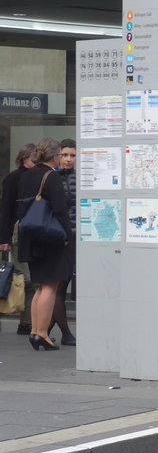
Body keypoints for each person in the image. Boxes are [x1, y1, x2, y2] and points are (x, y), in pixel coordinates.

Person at [16, 138, 71, 350]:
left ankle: (35, 331)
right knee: (51, 286)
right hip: (50, 237)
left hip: (31, 236)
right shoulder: (52, 177)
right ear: (55, 156)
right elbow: (60, 210)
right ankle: (41, 333)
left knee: (41, 286)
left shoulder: (27, 175)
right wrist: (67, 234)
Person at [0, 143, 36, 333]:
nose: (36, 162)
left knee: (28, 280)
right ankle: (26, 322)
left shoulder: (37, 176)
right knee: (25, 279)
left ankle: (27, 322)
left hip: (30, 234)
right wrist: (3, 238)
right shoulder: (14, 178)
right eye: (32, 158)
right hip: (16, 235)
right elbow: (6, 209)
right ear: (24, 158)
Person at [52, 139, 77, 346]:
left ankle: (41, 331)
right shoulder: (53, 178)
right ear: (58, 156)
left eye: (73, 155)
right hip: (61, 238)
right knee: (59, 286)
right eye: (65, 155)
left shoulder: (81, 177)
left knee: (63, 283)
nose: (69, 159)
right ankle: (66, 333)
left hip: (79, 236)